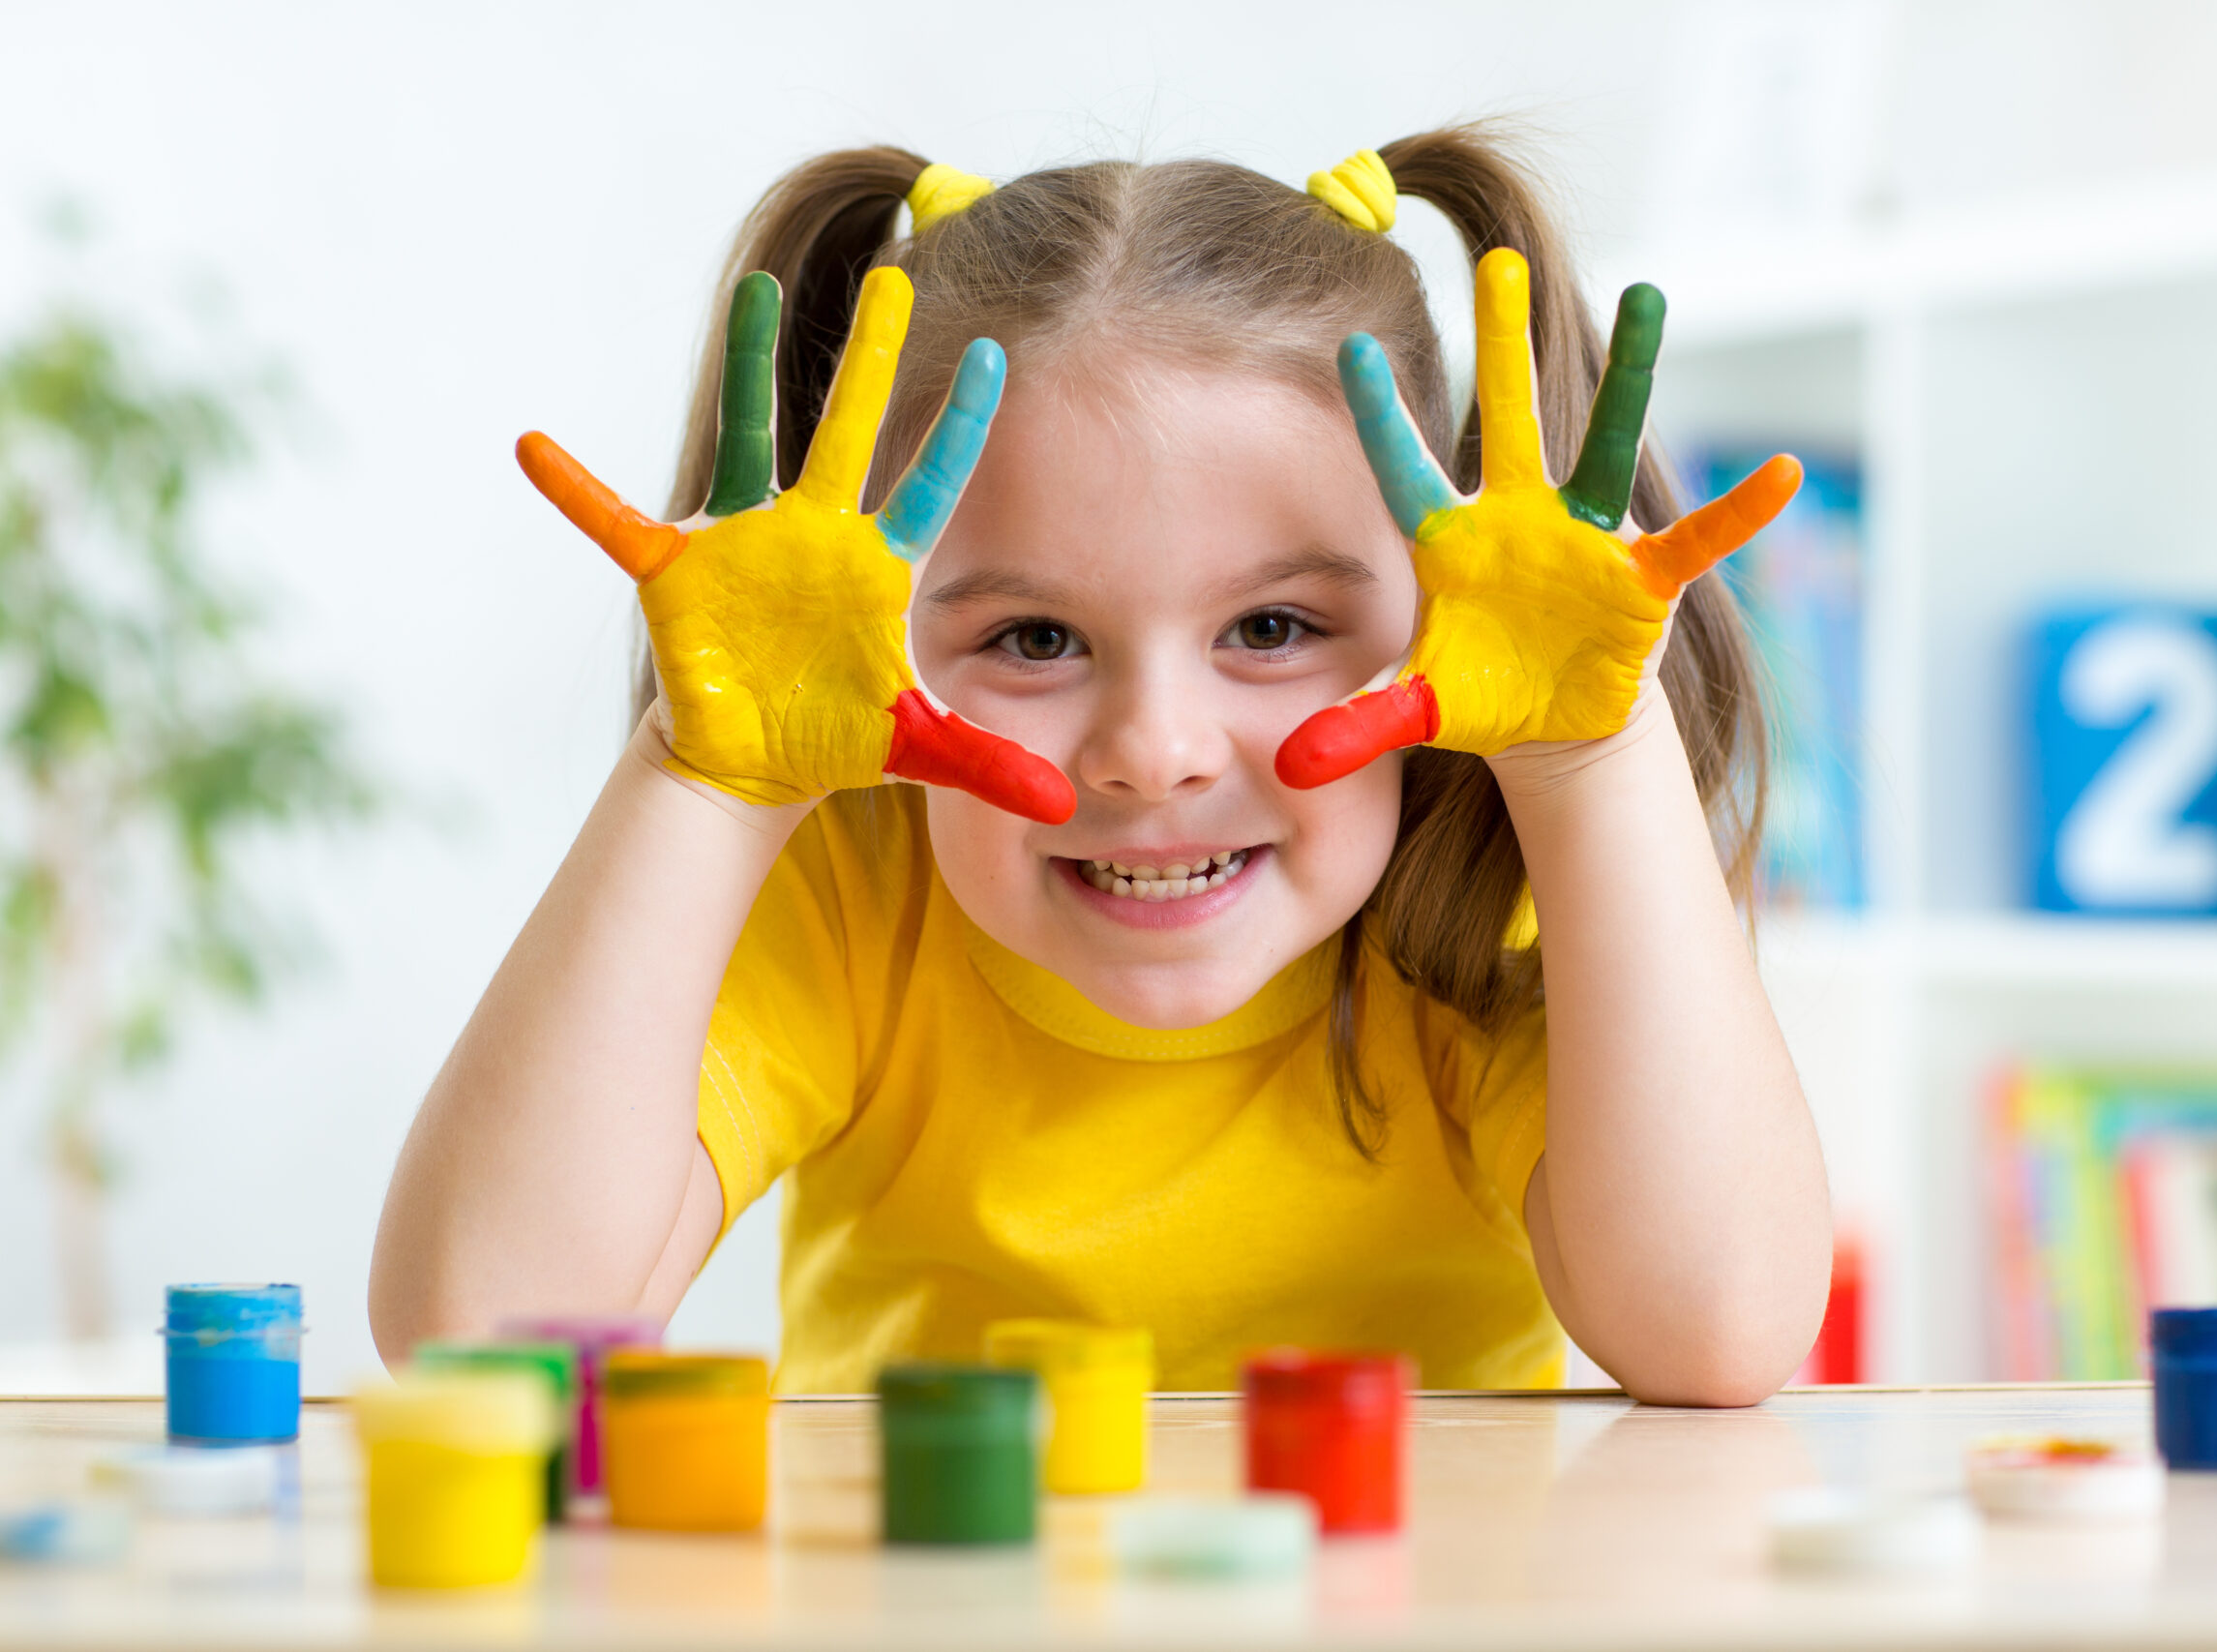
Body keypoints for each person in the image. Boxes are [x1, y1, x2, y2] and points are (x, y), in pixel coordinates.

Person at [369, 128, 1832, 1404]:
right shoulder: (862, 898)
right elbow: (488, 1341)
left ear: (1436, 617)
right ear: (885, 636)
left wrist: (1592, 755)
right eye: (1032, 638)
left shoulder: (1457, 903)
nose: (1154, 753)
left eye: (1271, 627)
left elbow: (1720, 1334)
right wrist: (703, 786)